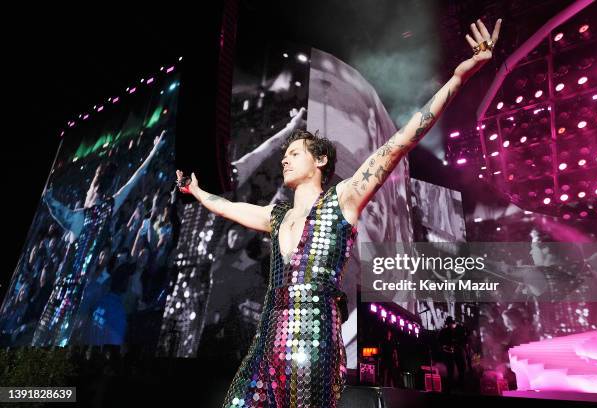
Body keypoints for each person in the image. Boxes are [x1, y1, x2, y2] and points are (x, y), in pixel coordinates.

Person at [178, 18, 502, 408]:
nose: (285, 160)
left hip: (316, 344)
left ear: (319, 161)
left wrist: (458, 78)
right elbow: (228, 206)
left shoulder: (343, 198)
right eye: (284, 155)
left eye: (293, 153)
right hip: (266, 342)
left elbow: (402, 141)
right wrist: (196, 190)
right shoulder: (277, 216)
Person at [32, 131, 166, 347]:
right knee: (59, 342)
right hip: (77, 294)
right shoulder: (108, 210)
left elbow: (54, 207)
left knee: (42, 341)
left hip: (61, 295)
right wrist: (155, 150)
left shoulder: (78, 219)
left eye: (88, 189)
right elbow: (134, 180)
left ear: (93, 188)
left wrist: (47, 195)